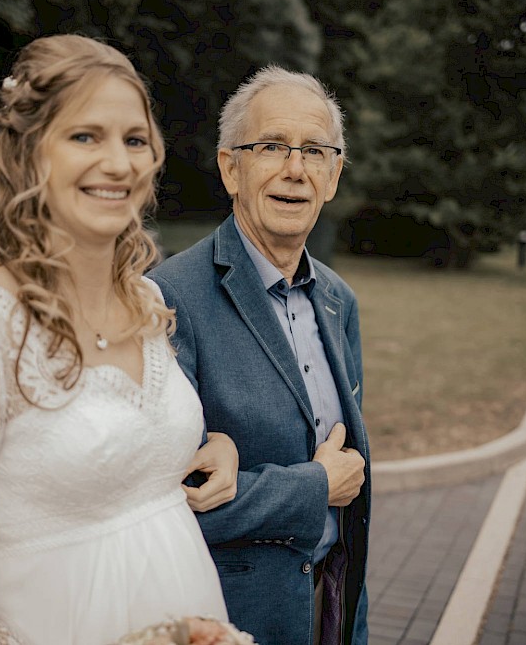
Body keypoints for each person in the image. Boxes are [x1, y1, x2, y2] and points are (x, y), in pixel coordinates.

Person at [0, 34, 248, 645]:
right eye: (86, 136)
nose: (119, 162)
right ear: (30, 155)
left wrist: (215, 444)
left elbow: (127, 448)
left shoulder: (147, 302)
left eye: (134, 139)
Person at [148, 66, 371, 645]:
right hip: (229, 620)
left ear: (333, 176)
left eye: (315, 151)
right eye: (272, 146)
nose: (295, 170)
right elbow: (164, 501)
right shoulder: (172, 297)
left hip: (330, 610)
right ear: (231, 168)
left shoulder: (338, 302)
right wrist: (315, 486)